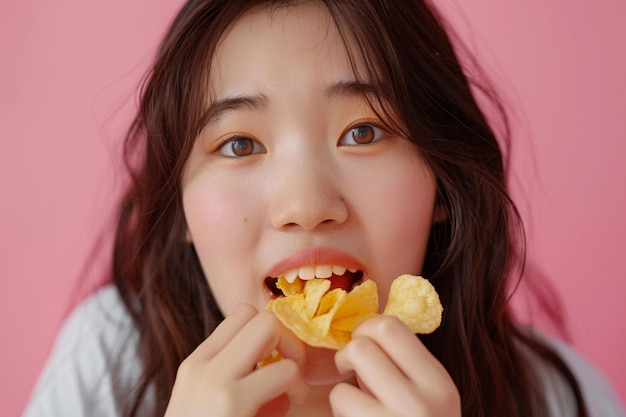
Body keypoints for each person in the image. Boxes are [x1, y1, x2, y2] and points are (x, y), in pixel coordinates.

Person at [22, 1, 625, 416]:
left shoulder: (556, 397)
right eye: (239, 144)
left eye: (363, 132)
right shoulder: (107, 364)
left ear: (441, 184)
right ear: (179, 212)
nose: (307, 206)